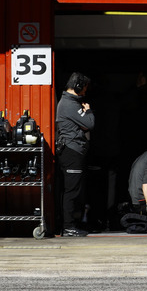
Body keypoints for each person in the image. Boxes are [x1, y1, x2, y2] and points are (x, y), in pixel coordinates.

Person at [55, 72, 95, 237]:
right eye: (84, 88)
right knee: (72, 191)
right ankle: (69, 227)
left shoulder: (70, 103)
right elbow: (89, 124)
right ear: (78, 87)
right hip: (72, 152)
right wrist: (89, 111)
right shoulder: (70, 104)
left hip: (72, 151)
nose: (85, 92)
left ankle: (70, 225)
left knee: (73, 190)